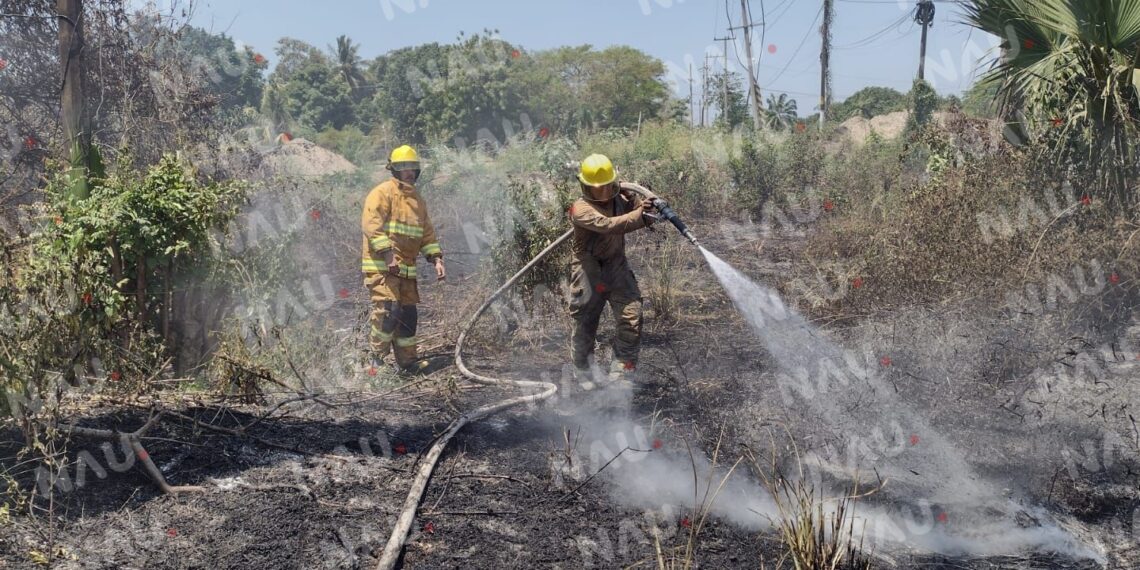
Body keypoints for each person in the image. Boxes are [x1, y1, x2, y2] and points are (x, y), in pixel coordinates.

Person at [567, 153, 656, 386]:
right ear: (585, 186)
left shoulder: (620, 199)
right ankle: (584, 373)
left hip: (616, 267)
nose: (604, 193)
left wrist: (642, 204)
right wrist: (639, 215)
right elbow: (608, 226)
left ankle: (622, 374)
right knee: (586, 324)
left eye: (607, 187)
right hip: (589, 272)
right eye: (598, 189)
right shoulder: (580, 209)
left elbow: (642, 213)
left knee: (631, 318)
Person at [361, 145, 445, 374]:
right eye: (403, 168)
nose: (408, 172)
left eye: (412, 168)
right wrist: (388, 254)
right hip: (382, 267)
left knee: (408, 315)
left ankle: (409, 363)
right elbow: (372, 225)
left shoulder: (418, 201)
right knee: (389, 310)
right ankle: (374, 363)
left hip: (406, 270)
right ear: (394, 170)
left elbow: (426, 234)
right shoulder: (382, 193)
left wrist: (436, 258)